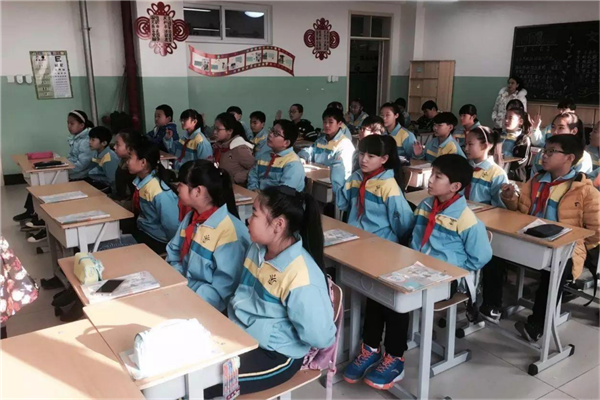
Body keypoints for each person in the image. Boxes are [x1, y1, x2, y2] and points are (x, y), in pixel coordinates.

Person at [344, 154, 491, 390]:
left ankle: (395, 358)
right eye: (432, 174)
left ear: (455, 186)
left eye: (438, 177)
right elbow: (415, 236)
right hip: (418, 269)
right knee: (380, 289)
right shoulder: (425, 206)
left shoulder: (466, 219)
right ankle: (370, 348)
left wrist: (452, 267)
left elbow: (481, 257)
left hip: (448, 278)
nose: (430, 180)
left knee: (400, 295)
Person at [211, 186, 336, 398]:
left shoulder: (301, 276)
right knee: (187, 363)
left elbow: (320, 337)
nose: (248, 220)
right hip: (240, 330)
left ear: (278, 224)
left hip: (275, 353)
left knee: (203, 382)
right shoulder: (257, 248)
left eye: (254, 214)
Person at [480, 135, 599, 342]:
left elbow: (596, 230)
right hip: (529, 238)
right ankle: (492, 305)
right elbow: (521, 211)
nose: (544, 155)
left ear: (569, 158)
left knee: (556, 270)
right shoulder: (536, 181)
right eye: (545, 150)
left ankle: (537, 324)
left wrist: (578, 245)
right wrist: (510, 198)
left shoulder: (585, 191)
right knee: (493, 249)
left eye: (551, 152)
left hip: (563, 247)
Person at [166, 160, 250, 312]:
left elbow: (221, 290)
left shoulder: (230, 233)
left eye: (181, 184)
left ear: (197, 191)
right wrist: (176, 281)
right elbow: (174, 251)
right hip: (182, 290)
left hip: (204, 305)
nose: (177, 188)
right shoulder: (192, 218)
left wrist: (187, 299)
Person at [14, 110, 95, 247]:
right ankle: (34, 214)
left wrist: (64, 167)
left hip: (80, 177)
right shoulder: (77, 139)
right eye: (68, 123)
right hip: (72, 173)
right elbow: (73, 160)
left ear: (82, 125)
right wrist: (62, 163)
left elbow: (81, 165)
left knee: (49, 188)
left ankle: (45, 222)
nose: (69, 126)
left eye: (72, 123)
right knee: (40, 186)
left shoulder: (86, 141)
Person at [332, 134, 414, 242]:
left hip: (380, 240)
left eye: (370, 156)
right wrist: (337, 170)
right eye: (361, 154)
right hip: (354, 235)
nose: (364, 160)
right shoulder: (356, 177)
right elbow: (342, 203)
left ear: (383, 159)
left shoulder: (388, 185)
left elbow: (403, 222)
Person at [128, 138, 180, 254]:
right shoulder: (141, 182)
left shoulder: (159, 191)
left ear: (143, 162)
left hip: (157, 240)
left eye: (130, 158)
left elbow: (172, 226)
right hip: (144, 230)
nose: (127, 162)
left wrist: (172, 252)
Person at [248, 119, 305, 192]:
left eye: (276, 134)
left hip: (279, 198)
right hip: (259, 196)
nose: (270, 134)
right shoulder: (264, 156)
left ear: (286, 143)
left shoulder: (293, 163)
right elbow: (253, 175)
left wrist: (264, 196)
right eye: (271, 130)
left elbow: (285, 192)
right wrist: (254, 189)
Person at [298, 107, 355, 179]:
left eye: (331, 122)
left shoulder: (345, 144)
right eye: (325, 122)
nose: (327, 125)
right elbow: (308, 151)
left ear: (340, 124)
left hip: (332, 181)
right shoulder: (320, 141)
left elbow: (342, 172)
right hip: (316, 177)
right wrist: (302, 157)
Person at [530, 112, 593, 177]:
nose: (555, 132)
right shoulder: (543, 153)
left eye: (561, 128)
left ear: (574, 131)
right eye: (553, 127)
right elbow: (533, 178)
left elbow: (580, 181)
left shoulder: (583, 158)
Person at [463, 126, 508, 207]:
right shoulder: (463, 167)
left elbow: (500, 208)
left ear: (484, 146)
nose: (466, 148)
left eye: (470, 144)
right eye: (465, 144)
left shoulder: (497, 174)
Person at [212, 112, 255, 186]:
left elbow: (255, 168)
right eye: (214, 128)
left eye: (218, 129)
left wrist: (237, 177)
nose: (214, 132)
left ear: (230, 131)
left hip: (237, 188)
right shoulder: (218, 146)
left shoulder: (239, 148)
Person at [112, 128, 140, 210]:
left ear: (130, 148)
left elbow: (132, 199)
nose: (114, 147)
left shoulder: (135, 168)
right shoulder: (122, 162)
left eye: (118, 145)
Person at [501, 108, 532, 182]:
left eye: (510, 118)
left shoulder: (523, 139)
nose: (506, 120)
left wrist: (506, 164)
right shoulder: (499, 135)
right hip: (498, 171)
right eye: (505, 117)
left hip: (514, 175)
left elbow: (523, 160)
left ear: (520, 121)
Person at [87, 126, 119, 193]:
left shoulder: (109, 158)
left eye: (93, 140)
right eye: (89, 139)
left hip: (108, 188)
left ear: (104, 143)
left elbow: (112, 181)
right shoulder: (96, 153)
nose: (89, 142)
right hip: (98, 182)